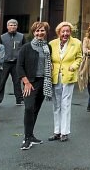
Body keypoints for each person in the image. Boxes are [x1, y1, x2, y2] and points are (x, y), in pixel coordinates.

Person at [17, 21, 52, 150]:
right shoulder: (26, 48)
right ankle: (26, 138)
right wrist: (26, 82)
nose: (39, 33)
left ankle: (31, 135)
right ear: (33, 32)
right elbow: (19, 66)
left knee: (35, 110)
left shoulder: (48, 47)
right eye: (37, 31)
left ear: (46, 32)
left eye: (42, 30)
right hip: (30, 83)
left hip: (44, 82)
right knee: (28, 108)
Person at [49, 21, 82, 142]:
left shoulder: (76, 43)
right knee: (56, 104)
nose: (65, 34)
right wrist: (51, 65)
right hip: (55, 76)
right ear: (59, 32)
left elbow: (79, 58)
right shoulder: (52, 44)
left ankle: (65, 132)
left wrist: (74, 66)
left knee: (66, 103)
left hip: (68, 75)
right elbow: (49, 58)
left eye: (67, 31)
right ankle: (56, 131)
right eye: (63, 31)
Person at [0, 19, 25, 106]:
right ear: (7, 27)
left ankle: (19, 99)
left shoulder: (21, 36)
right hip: (5, 62)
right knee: (1, 81)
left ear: (17, 26)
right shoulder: (2, 37)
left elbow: (24, 49)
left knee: (17, 81)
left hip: (16, 63)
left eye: (14, 25)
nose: (12, 27)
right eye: (11, 25)